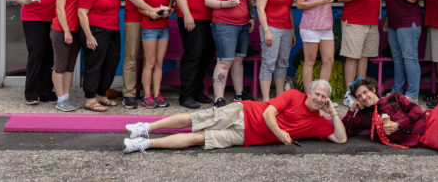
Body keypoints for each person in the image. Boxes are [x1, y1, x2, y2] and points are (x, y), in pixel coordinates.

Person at [121, 78, 346, 153]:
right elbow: (269, 113)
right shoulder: (294, 95)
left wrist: (334, 112)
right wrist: (281, 134)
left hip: (246, 137)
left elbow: (341, 138)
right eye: (317, 94)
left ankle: (144, 143)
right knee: (195, 120)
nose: (319, 99)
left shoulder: (318, 123)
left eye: (323, 97)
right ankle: (146, 127)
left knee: (199, 138)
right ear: (309, 92)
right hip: (243, 112)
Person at [15, 0, 67, 106]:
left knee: (51, 55)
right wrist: (27, 0)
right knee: (37, 52)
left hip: (54, 18)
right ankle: (31, 92)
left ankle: (46, 92)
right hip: (33, 17)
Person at [205, 0, 254, 106]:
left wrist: (252, 17)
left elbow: (249, 1)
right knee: (225, 61)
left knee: (238, 60)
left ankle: (239, 94)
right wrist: (224, 4)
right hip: (224, 25)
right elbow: (208, 0)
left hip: (244, 25)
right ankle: (218, 98)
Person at [173, 0, 217, 109]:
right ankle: (186, 95)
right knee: (193, 56)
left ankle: (198, 91)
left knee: (206, 57)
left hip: (209, 20)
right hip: (192, 20)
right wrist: (187, 14)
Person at [336, 0, 380, 107]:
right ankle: (349, 93)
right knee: (352, 58)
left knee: (363, 58)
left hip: (371, 21)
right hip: (354, 21)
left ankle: (361, 92)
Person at [77, 0, 122, 112]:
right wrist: (89, 36)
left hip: (113, 31)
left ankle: (101, 94)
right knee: (94, 65)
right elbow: (82, 13)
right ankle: (90, 99)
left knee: (111, 63)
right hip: (96, 31)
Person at [122, 0, 159, 109]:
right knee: (131, 56)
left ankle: (149, 93)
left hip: (156, 20)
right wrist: (150, 10)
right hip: (134, 18)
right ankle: (128, 94)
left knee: (150, 60)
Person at [49, 0, 89, 112]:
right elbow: (60, 9)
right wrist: (66, 30)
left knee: (70, 66)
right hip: (61, 30)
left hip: (76, 30)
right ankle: (60, 99)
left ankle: (66, 96)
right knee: (59, 65)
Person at [384, 0, 422, 102]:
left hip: (408, 22)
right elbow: (392, 2)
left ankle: (412, 94)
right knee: (398, 59)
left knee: (409, 58)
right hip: (394, 23)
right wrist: (387, 20)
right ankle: (397, 91)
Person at [256, 0, 296, 100]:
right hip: (272, 28)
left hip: (287, 29)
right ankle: (266, 99)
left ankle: (279, 97)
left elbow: (289, 10)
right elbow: (260, 9)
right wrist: (266, 31)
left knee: (282, 63)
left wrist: (293, 32)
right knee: (269, 62)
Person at [296, 0, 335, 89]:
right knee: (310, 61)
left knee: (329, 60)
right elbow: (299, 4)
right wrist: (319, 2)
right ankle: (309, 96)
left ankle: (322, 94)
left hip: (326, 26)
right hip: (311, 26)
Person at [138, 0, 173, 109]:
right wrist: (150, 13)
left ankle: (157, 93)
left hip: (163, 27)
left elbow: (172, 6)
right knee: (150, 63)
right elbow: (139, 8)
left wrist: (168, 12)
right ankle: (147, 96)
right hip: (149, 28)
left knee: (159, 63)